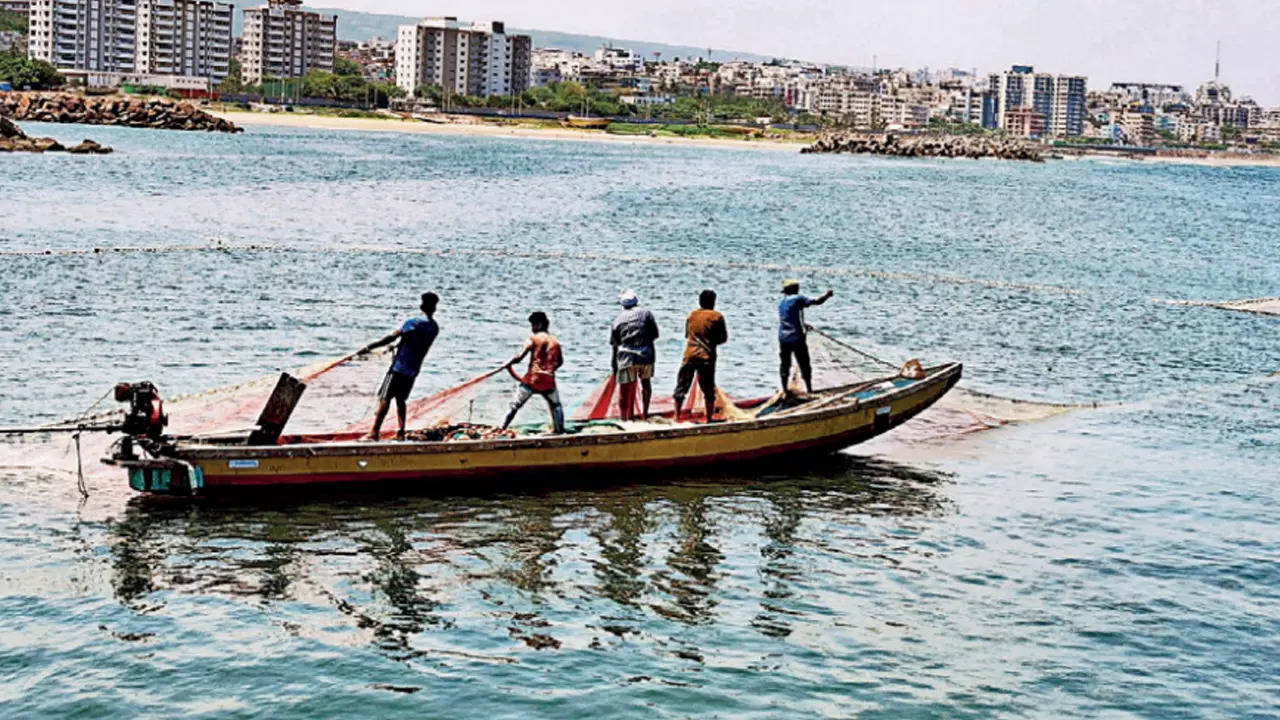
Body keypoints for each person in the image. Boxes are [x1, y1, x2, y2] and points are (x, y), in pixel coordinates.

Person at [360, 292, 440, 440]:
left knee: (385, 398)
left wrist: (369, 347)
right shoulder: (434, 327)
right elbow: (412, 342)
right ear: (434, 308)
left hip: (398, 368)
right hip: (412, 370)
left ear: (421, 305)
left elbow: (392, 337)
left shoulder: (413, 322)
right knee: (401, 400)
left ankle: (374, 432)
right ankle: (401, 431)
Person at [501, 311, 565, 434]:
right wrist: (549, 370)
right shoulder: (555, 342)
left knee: (515, 405)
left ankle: (502, 428)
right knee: (556, 405)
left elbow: (519, 357)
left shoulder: (534, 339)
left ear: (539, 324)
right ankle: (560, 431)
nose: (532, 329)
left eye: (533, 325)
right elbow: (560, 362)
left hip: (532, 379)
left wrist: (508, 363)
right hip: (548, 381)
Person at [673, 289, 728, 423]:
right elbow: (723, 338)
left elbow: (687, 335)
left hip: (689, 355)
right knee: (708, 390)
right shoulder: (717, 316)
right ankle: (709, 418)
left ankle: (676, 417)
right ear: (713, 302)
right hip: (706, 357)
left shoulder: (691, 315)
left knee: (681, 387)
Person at [610, 290, 660, 421]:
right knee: (646, 384)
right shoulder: (646, 314)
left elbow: (615, 345)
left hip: (626, 358)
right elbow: (655, 335)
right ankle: (645, 414)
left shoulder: (617, 320)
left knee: (624, 390)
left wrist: (614, 366)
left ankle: (624, 419)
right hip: (646, 356)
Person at [777, 279, 833, 394]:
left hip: (783, 338)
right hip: (796, 337)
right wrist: (827, 295)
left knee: (785, 364)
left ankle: (784, 390)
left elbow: (789, 318)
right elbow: (817, 301)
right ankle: (809, 390)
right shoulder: (798, 298)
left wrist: (803, 325)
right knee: (804, 363)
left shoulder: (782, 302)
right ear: (795, 290)